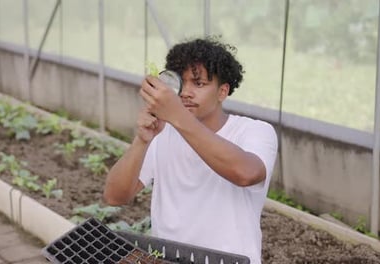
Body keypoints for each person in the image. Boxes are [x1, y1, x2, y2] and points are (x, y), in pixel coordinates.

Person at [103, 37, 278, 264]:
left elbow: (245, 173)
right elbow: (114, 196)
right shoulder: (163, 133)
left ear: (222, 92)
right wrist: (142, 140)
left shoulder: (254, 131)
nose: (186, 92)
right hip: (167, 259)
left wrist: (177, 115)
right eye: (181, 83)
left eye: (199, 84)